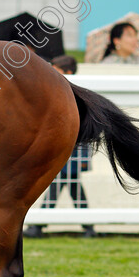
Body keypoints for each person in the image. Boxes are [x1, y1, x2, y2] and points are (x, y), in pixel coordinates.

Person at [25, 55, 95, 239]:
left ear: (68, 73)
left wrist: (84, 158)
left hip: (72, 153)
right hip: (67, 152)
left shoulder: (75, 96)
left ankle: (38, 226)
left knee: (60, 187)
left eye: (56, 70)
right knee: (72, 188)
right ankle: (88, 227)